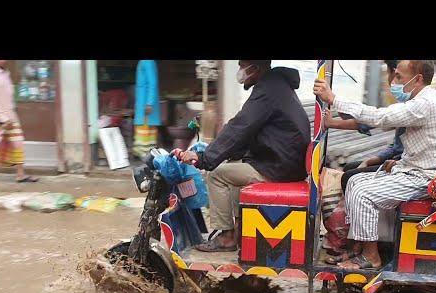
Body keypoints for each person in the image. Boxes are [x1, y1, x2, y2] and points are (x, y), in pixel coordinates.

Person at [313, 60, 436, 270]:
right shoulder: (423, 100)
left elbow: (380, 117)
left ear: (418, 79)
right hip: (414, 169)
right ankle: (359, 248)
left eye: (399, 77)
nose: (394, 81)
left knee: (363, 193)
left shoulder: (425, 103)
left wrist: (334, 99)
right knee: (354, 180)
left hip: (426, 177)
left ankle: (371, 257)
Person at [178, 60, 310, 252]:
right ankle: (239, 230)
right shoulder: (276, 86)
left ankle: (226, 237)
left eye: (242, 66)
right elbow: (246, 132)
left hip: (279, 167)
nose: (240, 71)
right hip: (284, 161)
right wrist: (216, 152)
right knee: (231, 166)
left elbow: (240, 127)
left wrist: (204, 158)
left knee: (216, 174)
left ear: (255, 68)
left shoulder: (268, 90)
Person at [323, 60, 405, 193]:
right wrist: (375, 159)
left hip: (404, 165)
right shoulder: (405, 103)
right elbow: (395, 144)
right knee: (350, 167)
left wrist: (335, 100)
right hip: (398, 159)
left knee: (350, 177)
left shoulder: (412, 106)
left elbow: (376, 118)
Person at [133, 60, 161, 159]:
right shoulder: (144, 61)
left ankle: (147, 156)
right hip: (142, 102)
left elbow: (152, 83)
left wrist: (149, 103)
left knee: (145, 130)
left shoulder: (147, 61)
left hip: (145, 103)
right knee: (144, 129)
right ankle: (145, 154)